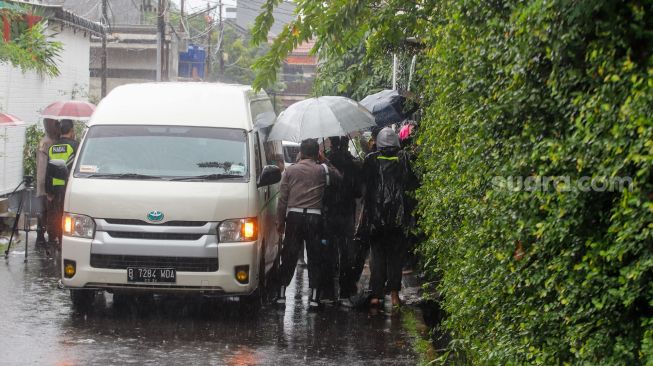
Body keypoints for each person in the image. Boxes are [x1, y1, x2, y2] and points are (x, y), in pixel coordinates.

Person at [276, 139, 341, 309]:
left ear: (301, 152)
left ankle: (281, 295)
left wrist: (280, 222)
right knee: (314, 257)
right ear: (316, 153)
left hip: (294, 217)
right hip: (314, 218)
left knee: (289, 256)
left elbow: (282, 200)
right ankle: (313, 299)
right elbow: (339, 178)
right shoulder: (322, 170)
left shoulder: (290, 171)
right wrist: (324, 160)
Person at [360, 127, 414, 308]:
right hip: (397, 218)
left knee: (377, 256)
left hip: (376, 218)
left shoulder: (370, 160)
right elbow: (411, 183)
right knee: (395, 257)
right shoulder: (404, 159)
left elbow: (364, 186)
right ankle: (394, 295)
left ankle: (375, 295)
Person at [323, 136, 362, 303]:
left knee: (329, 251)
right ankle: (345, 291)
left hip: (330, 212)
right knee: (347, 251)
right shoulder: (353, 165)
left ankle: (328, 293)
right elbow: (358, 193)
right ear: (347, 145)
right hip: (347, 212)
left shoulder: (326, 164)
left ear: (331, 144)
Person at [46, 119, 78, 245]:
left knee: (56, 214)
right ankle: (67, 240)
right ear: (71, 131)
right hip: (69, 186)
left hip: (55, 187)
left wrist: (48, 191)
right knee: (69, 214)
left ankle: (57, 238)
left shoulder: (52, 147)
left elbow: (49, 170)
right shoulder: (75, 146)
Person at [35, 119, 60, 245]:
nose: (57, 127)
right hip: (45, 185)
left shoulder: (52, 141)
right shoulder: (46, 143)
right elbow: (42, 168)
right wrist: (46, 187)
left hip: (47, 184)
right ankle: (42, 236)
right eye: (55, 124)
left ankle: (45, 235)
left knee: (46, 211)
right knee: (45, 211)